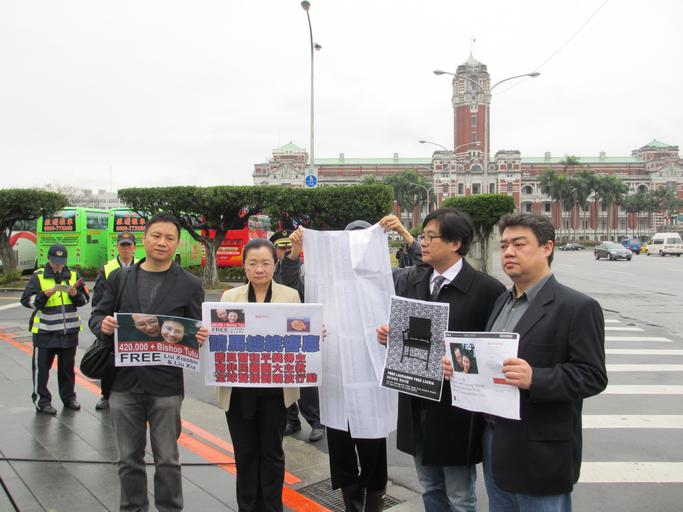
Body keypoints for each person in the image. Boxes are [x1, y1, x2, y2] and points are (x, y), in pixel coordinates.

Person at [444, 213, 607, 511]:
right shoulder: (502, 302)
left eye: (519, 244)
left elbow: (592, 375)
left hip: (541, 452)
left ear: (547, 247)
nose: (508, 252)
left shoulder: (577, 307)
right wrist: (460, 368)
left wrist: (536, 378)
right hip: (495, 443)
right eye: (504, 245)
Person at [377, 209, 505, 512]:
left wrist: (461, 362)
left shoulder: (487, 290)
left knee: (460, 496)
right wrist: (391, 336)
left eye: (430, 236)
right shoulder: (413, 280)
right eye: (422, 235)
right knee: (429, 486)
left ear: (455, 243)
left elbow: (496, 351)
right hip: (416, 400)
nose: (422, 241)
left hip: (456, 410)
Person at [89, 212, 208, 512]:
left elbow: (194, 330)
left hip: (166, 385)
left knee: (167, 459)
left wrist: (200, 336)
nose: (162, 242)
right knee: (128, 458)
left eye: (169, 238)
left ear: (177, 243)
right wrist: (102, 324)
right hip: (123, 382)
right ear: (144, 239)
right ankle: (133, 507)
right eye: (156, 236)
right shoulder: (120, 277)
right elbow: (97, 314)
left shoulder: (190, 284)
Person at [215, 238, 301, 512]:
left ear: (275, 264)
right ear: (244, 266)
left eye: (265, 263)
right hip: (239, 390)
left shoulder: (290, 296)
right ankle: (247, 506)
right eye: (252, 263)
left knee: (272, 453)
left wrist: (313, 332)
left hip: (275, 390)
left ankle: (272, 507)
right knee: (245, 453)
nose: (259, 269)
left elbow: (299, 334)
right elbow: (220, 339)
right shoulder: (230, 298)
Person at [20, 244, 89, 415]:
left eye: (61, 262)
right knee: (42, 370)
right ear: (49, 259)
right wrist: (43, 295)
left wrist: (76, 295)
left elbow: (85, 300)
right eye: (55, 262)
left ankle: (69, 398)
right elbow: (26, 300)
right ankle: (42, 401)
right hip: (45, 331)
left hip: (69, 331)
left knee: (67, 369)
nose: (58, 265)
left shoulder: (73, 275)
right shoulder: (38, 276)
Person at [270, 229, 324, 443]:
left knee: (304, 381)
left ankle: (317, 421)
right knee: (281, 380)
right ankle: (291, 420)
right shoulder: (267, 269)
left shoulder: (301, 271)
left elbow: (292, 285)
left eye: (288, 246)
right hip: (274, 335)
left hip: (299, 331)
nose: (285, 250)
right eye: (281, 247)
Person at [92, 231, 137, 410]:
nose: (125, 249)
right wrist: (102, 319)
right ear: (117, 247)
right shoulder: (108, 268)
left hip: (133, 323)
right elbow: (99, 297)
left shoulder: (141, 266)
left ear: (134, 247)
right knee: (110, 361)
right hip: (113, 322)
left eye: (128, 245)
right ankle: (106, 395)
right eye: (122, 245)